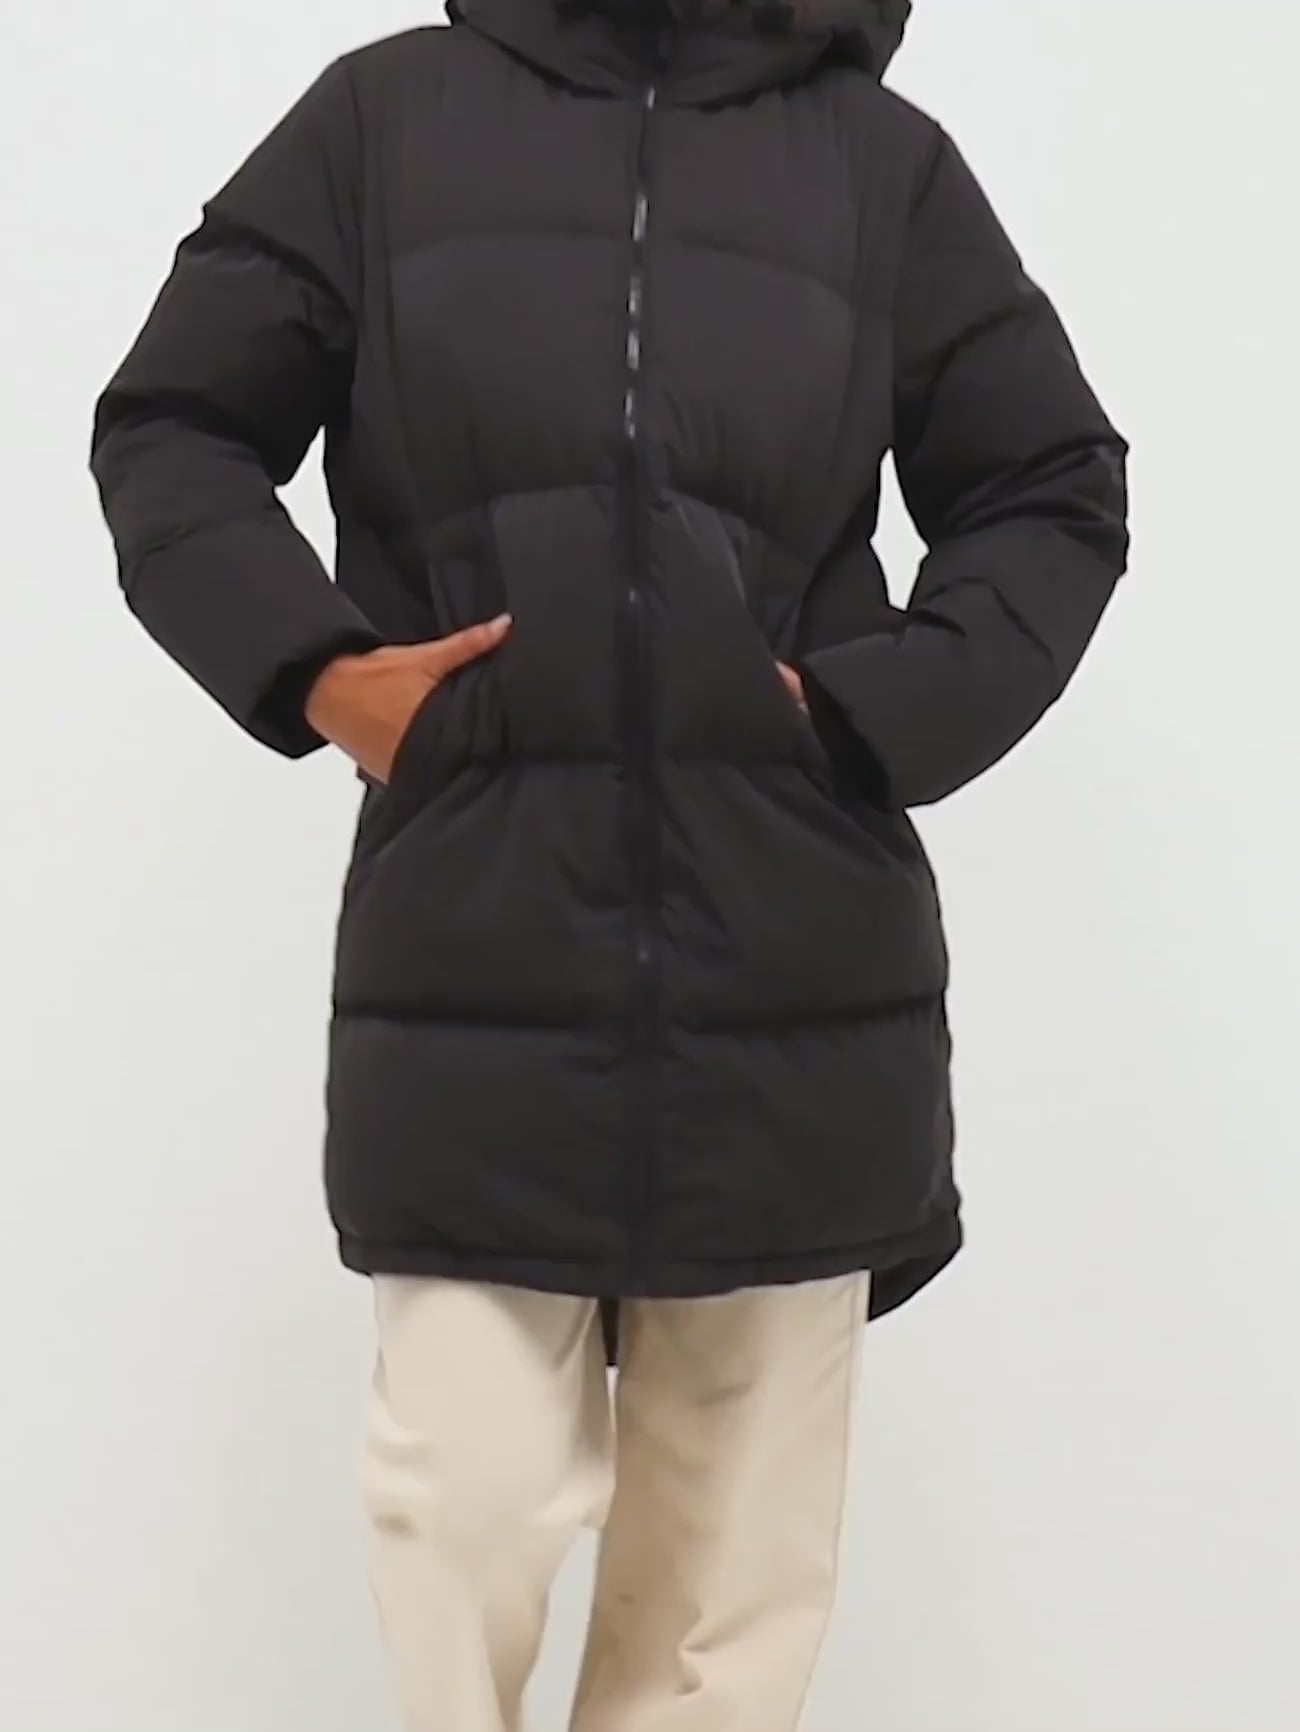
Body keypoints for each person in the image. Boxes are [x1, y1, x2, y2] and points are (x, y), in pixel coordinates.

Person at [90, 1, 1129, 1727]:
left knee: (728, 1594)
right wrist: (323, 674)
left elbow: (1050, 485)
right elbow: (172, 425)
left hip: (797, 964)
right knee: (463, 1503)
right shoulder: (383, 122)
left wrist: (859, 717)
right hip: (475, 941)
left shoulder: (879, 166)